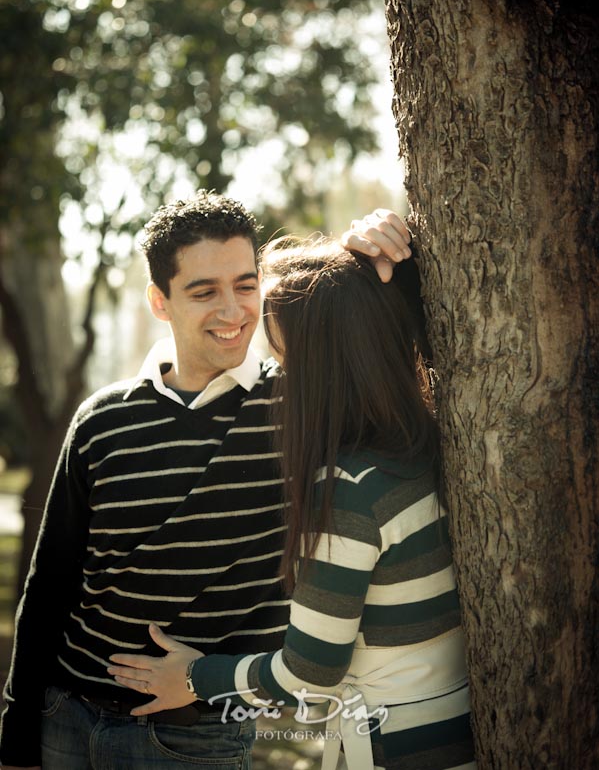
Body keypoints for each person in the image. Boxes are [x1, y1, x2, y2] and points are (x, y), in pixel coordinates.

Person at [0, 192, 410, 770]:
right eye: (203, 291)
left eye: (246, 285)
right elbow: (49, 588)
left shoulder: (300, 405)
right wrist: (17, 735)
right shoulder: (100, 421)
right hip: (63, 718)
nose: (234, 310)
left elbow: (388, 358)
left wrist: (374, 253)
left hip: (194, 738)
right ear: (160, 301)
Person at [107, 236, 476, 770]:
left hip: (393, 748)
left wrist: (194, 677)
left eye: (283, 356)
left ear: (323, 365)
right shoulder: (416, 450)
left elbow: (309, 672)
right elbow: (347, 298)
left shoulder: (348, 491)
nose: (278, 374)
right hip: (451, 731)